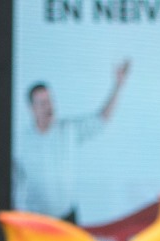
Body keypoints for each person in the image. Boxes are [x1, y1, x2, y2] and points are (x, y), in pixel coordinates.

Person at [12, 60, 130, 221]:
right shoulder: (21, 143)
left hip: (68, 218)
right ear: (32, 108)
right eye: (43, 103)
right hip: (38, 222)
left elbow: (101, 119)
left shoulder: (68, 130)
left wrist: (118, 86)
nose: (49, 107)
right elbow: (14, 186)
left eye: (50, 100)